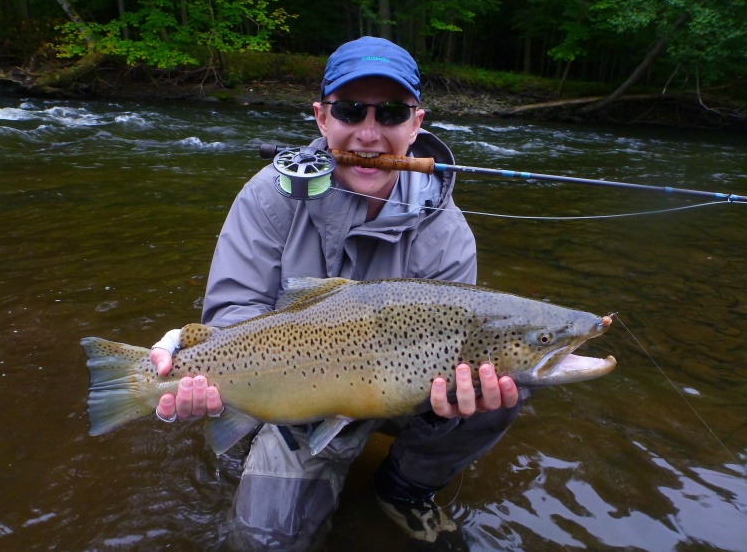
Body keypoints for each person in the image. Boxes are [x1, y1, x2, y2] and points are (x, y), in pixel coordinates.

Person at [150, 36, 527, 550]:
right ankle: (265, 439)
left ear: (416, 125)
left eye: (391, 113)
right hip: (299, 389)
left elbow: (460, 333)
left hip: (408, 386)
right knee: (266, 541)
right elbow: (234, 311)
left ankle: (404, 486)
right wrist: (202, 358)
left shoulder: (447, 230)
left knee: (506, 377)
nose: (369, 134)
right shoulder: (269, 195)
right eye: (350, 110)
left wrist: (459, 401)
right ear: (321, 119)